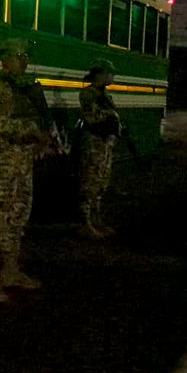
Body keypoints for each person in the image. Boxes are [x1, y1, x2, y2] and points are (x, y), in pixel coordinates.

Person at [0, 37, 55, 302]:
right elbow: (0, 127)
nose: (22, 61)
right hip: (0, 169)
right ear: (5, 59)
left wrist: (43, 140)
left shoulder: (25, 90)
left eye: (25, 56)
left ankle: (10, 270)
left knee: (17, 218)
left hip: (21, 167)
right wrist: (36, 132)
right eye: (17, 56)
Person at [78, 60, 120, 239]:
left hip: (105, 145)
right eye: (109, 73)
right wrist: (111, 117)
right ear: (100, 74)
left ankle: (96, 219)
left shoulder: (105, 95)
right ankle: (86, 223)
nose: (111, 77)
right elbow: (93, 118)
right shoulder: (89, 94)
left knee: (101, 183)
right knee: (90, 183)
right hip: (94, 144)